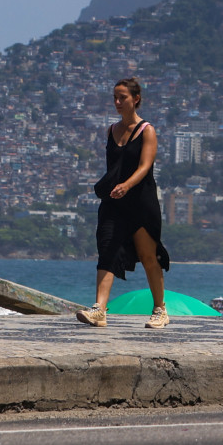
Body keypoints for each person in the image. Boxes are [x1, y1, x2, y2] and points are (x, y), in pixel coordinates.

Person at [79, 76, 171, 330]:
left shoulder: (147, 130)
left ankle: (160, 310)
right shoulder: (111, 130)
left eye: (123, 97)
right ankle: (99, 309)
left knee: (148, 256)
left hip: (141, 203)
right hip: (113, 202)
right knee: (107, 250)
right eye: (115, 98)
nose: (117, 102)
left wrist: (127, 185)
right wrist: (114, 189)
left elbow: (145, 166)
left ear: (136, 99)